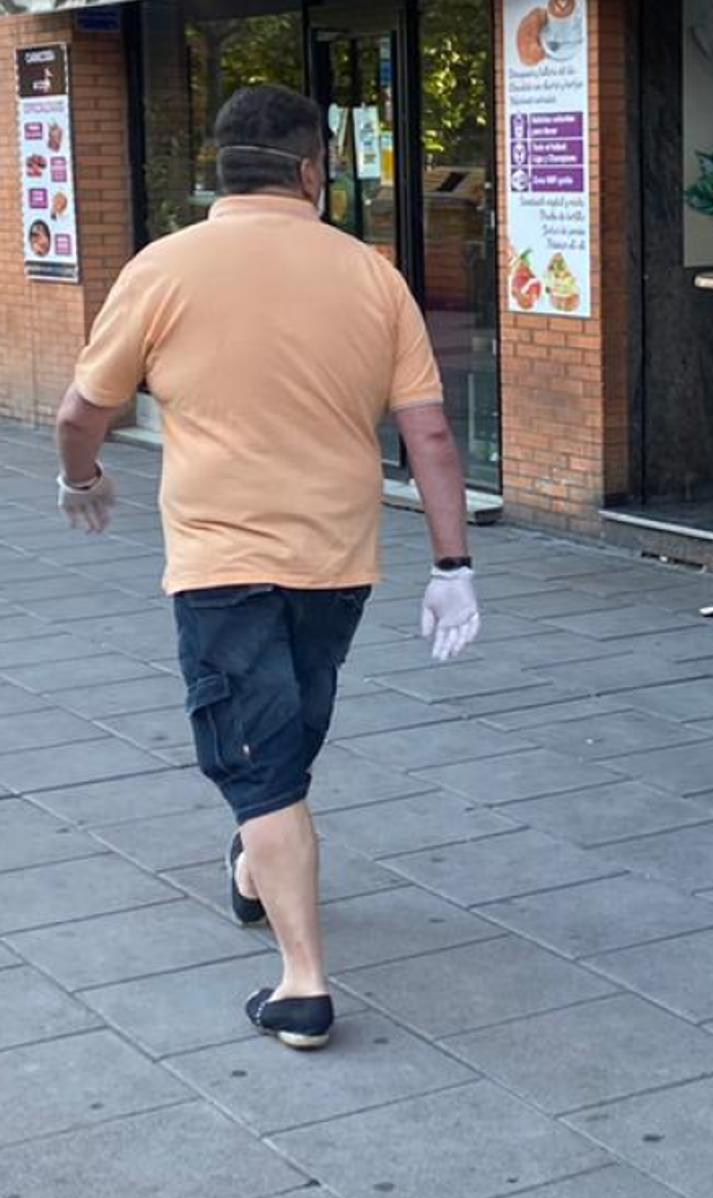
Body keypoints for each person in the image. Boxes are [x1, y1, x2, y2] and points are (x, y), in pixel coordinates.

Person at [52, 85, 481, 1050]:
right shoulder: (371, 275)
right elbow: (431, 434)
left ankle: (302, 984)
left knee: (262, 746)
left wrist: (81, 480)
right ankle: (270, 893)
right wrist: (452, 562)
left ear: (221, 168)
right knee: (282, 733)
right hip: (338, 559)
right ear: (308, 171)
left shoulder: (163, 268)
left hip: (220, 556)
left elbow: (84, 411)